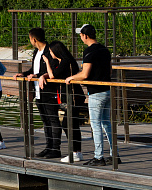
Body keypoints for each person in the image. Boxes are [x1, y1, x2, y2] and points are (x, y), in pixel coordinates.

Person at [66, 24, 115, 167]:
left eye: (80, 35)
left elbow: (85, 74)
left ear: (85, 36)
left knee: (95, 124)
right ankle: (114, 154)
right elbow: (110, 71)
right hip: (107, 90)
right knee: (106, 123)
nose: (80, 37)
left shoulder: (89, 52)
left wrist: (71, 78)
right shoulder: (105, 50)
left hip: (95, 92)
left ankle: (99, 157)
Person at [16, 28, 65, 159]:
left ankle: (56, 148)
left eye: (30, 39)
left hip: (49, 91)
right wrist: (25, 74)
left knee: (53, 119)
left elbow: (51, 71)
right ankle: (48, 146)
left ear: (34, 39)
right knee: (45, 120)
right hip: (38, 91)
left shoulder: (50, 51)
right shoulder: (36, 52)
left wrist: (37, 75)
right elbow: (34, 69)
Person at [42, 39, 85, 162]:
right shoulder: (60, 61)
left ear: (56, 51)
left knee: (68, 124)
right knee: (71, 124)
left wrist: (47, 63)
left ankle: (75, 152)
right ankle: (76, 152)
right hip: (69, 96)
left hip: (74, 96)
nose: (50, 54)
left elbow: (53, 75)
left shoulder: (66, 61)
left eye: (51, 51)